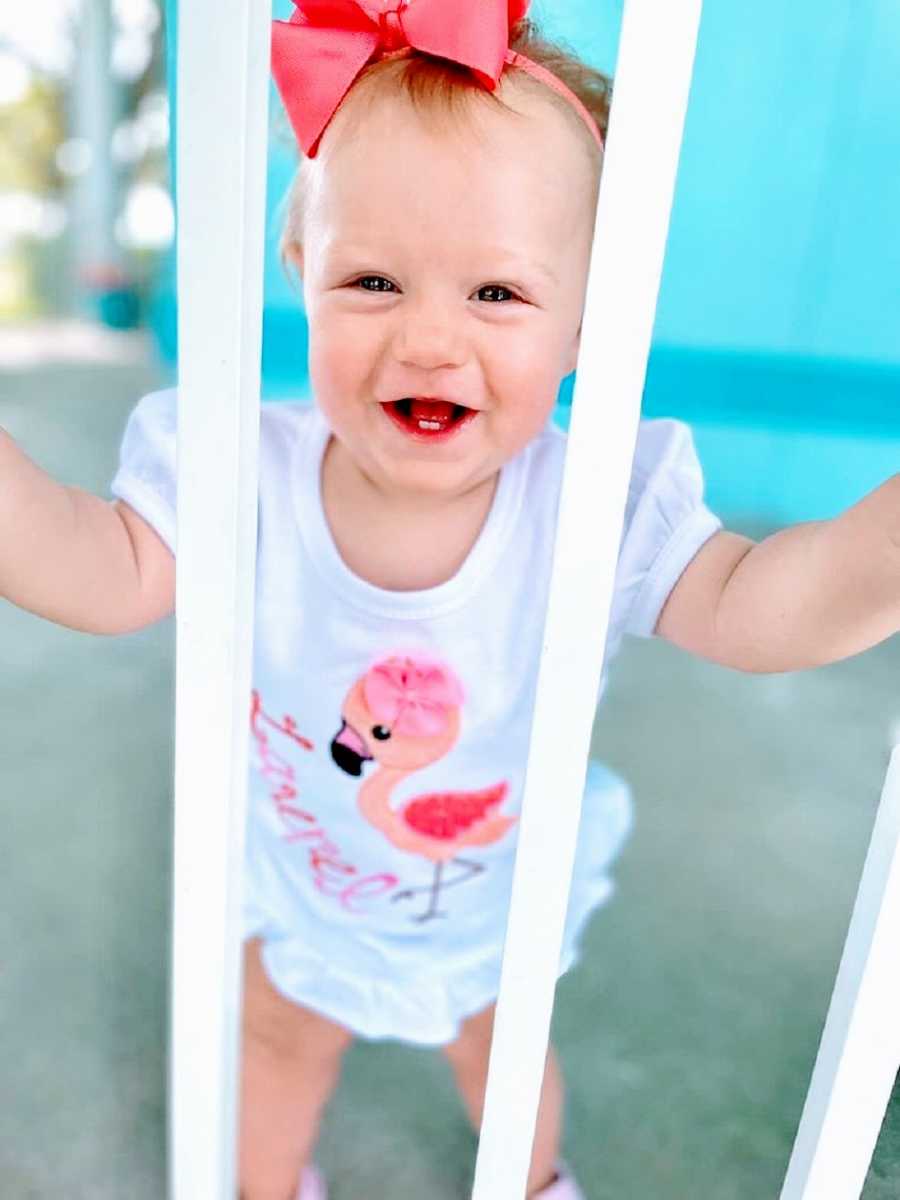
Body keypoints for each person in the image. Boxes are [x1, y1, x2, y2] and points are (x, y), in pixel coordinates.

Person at [2, 2, 898, 1197]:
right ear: (299, 276)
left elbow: (759, 607)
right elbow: (98, 570)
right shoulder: (237, 467)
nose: (430, 338)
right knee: (267, 1048)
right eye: (373, 279)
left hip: (495, 902)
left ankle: (528, 1183)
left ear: (589, 320)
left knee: (510, 1061)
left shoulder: (593, 500)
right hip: (301, 879)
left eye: (498, 296)